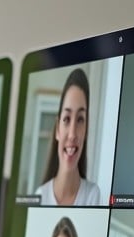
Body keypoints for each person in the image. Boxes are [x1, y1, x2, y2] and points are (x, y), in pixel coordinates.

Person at [34, 68, 102, 206]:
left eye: (80, 119)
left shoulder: (93, 195)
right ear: (57, 129)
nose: (72, 134)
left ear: (86, 129)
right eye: (66, 119)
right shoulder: (40, 196)